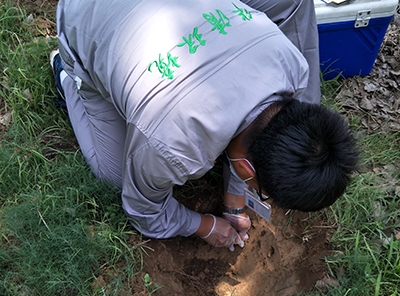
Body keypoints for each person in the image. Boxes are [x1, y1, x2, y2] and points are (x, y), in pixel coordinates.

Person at [50, 0, 359, 251]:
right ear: (248, 170)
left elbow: (258, 130)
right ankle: (66, 73)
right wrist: (205, 226)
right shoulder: (169, 145)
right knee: (116, 175)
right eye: (259, 193)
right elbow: (144, 211)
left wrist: (236, 200)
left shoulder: (290, 62)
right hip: (85, 13)